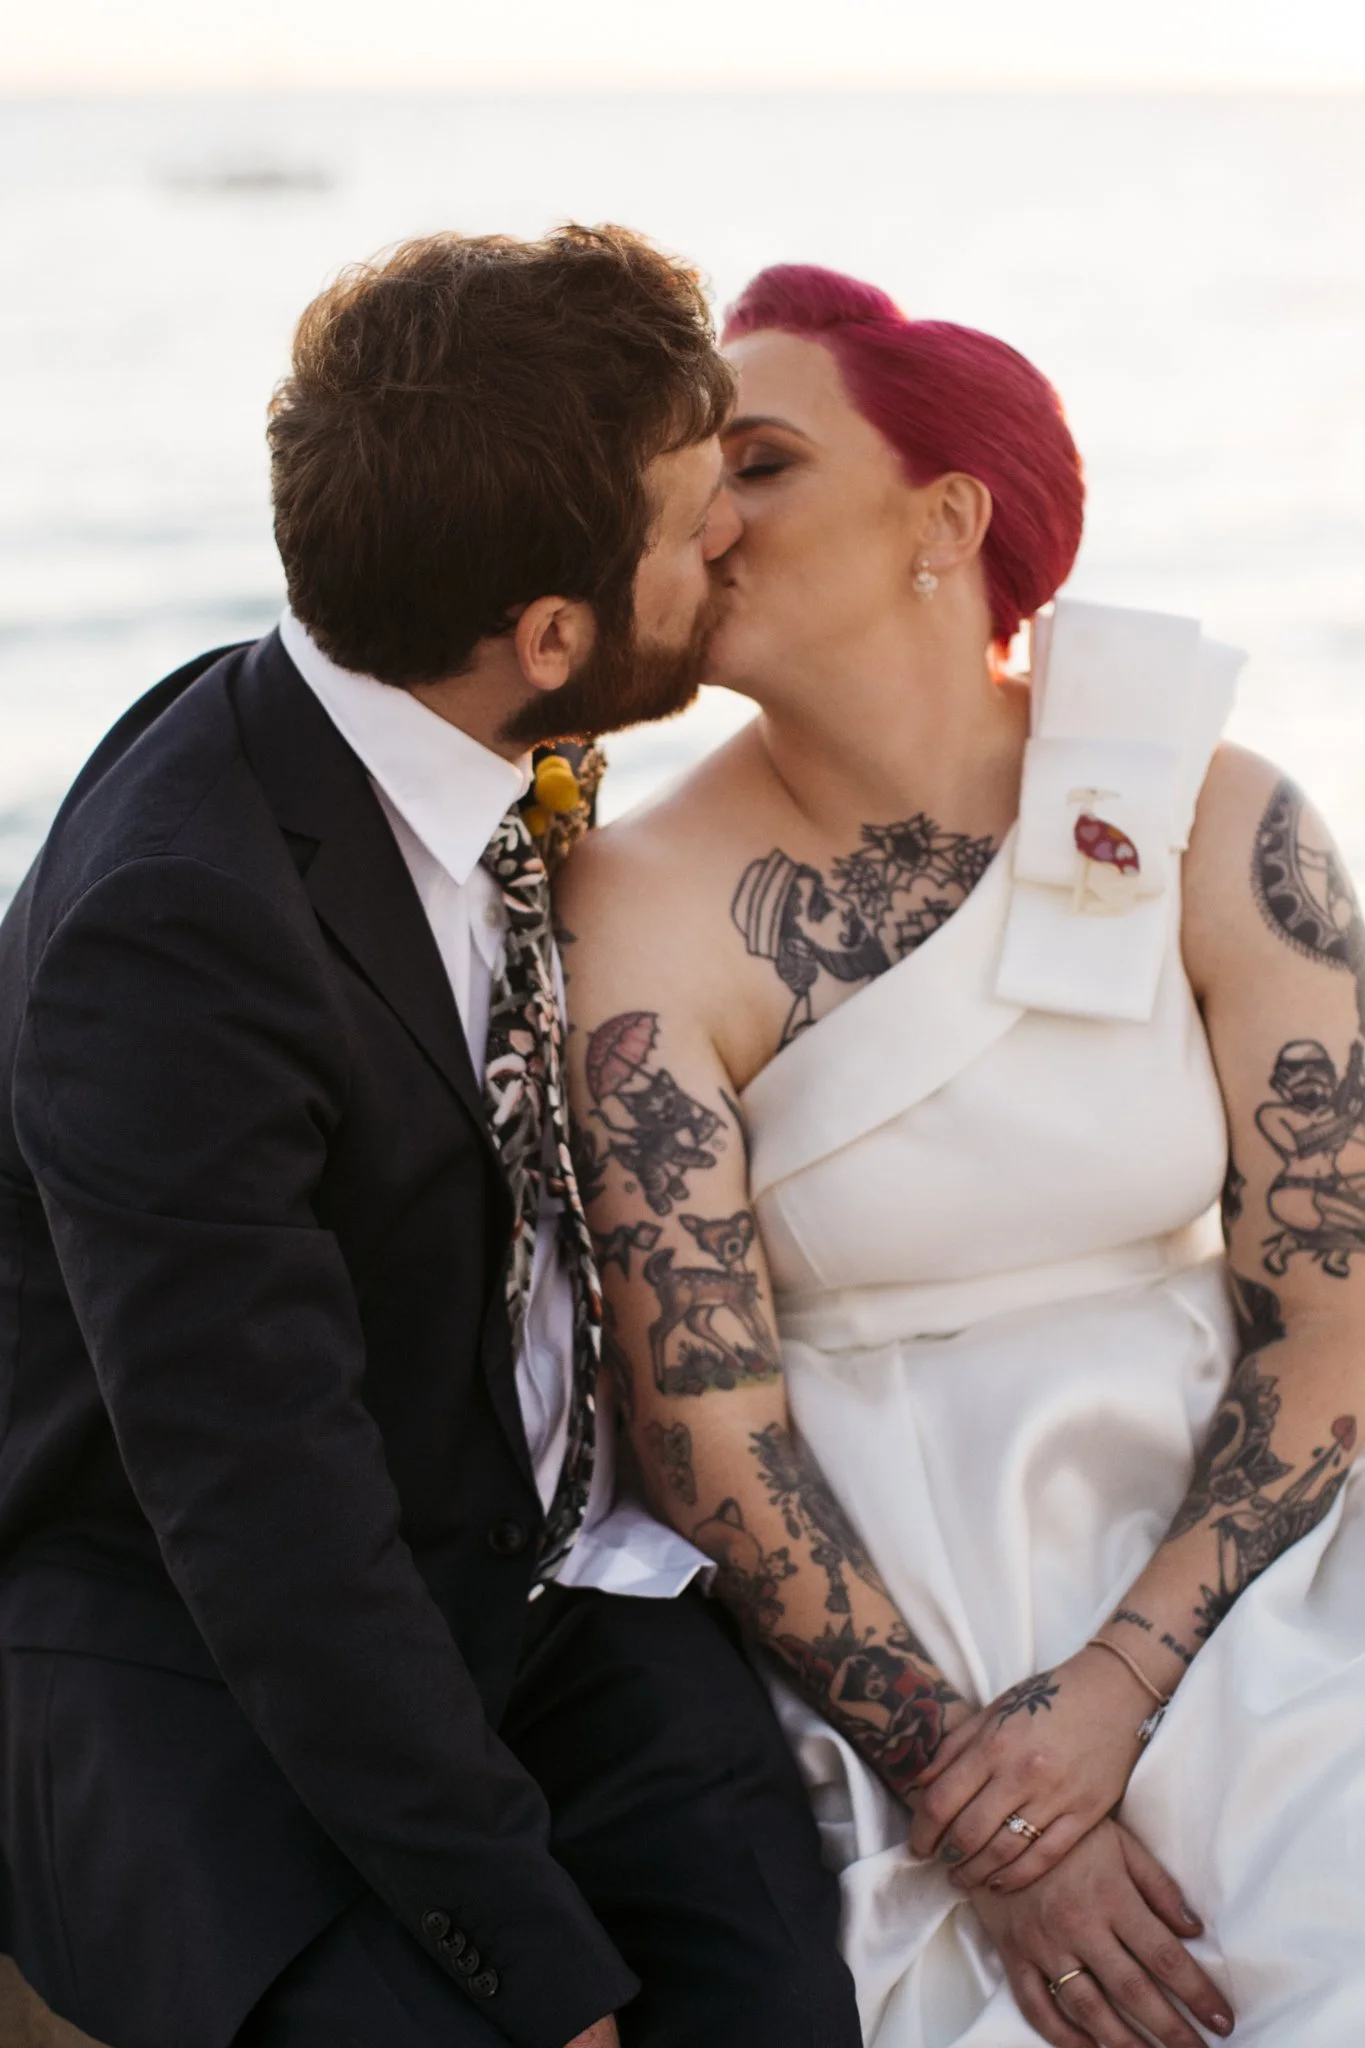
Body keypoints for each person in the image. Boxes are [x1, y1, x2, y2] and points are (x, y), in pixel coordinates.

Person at [0, 229, 862, 2048]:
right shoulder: (176, 935)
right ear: (547, 637)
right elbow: (270, 1530)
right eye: (685, 515)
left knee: (789, 2007)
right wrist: (529, 1973)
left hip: (549, 1584)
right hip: (215, 1677)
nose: (729, 531)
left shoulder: (449, 726)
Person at [558, 261, 1365, 2048]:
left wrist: (1120, 1690)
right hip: (884, 1627)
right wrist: (980, 1794)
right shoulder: (640, 900)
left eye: (760, 460)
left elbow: (1334, 1318)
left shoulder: (1219, 819)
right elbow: (702, 1422)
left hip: (1240, 1574)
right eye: (691, 478)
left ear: (947, 517)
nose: (706, 514)